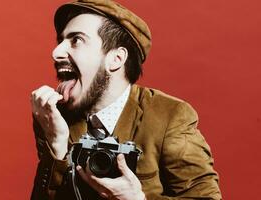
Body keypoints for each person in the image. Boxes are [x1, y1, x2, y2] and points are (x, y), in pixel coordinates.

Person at [30, 0, 222, 199]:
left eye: (76, 40)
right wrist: (57, 146)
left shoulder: (170, 116)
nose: (56, 52)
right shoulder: (55, 117)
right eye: (60, 41)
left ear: (116, 59)